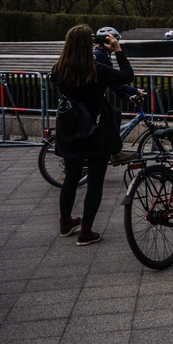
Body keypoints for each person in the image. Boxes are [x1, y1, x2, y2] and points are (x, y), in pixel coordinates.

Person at [50, 25, 134, 246]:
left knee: (71, 178)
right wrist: (117, 50)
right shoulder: (97, 70)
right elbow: (127, 76)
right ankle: (86, 231)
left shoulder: (58, 69)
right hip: (95, 133)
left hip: (69, 130)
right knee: (95, 182)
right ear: (90, 45)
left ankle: (66, 222)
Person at [93, 27, 143, 166]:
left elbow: (111, 81)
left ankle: (109, 148)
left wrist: (128, 95)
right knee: (112, 114)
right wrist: (118, 50)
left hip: (87, 100)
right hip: (94, 100)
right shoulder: (100, 55)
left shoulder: (98, 53)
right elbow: (119, 79)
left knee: (114, 114)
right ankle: (115, 153)